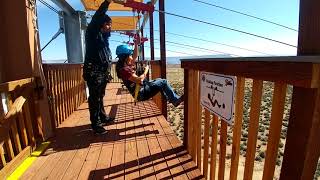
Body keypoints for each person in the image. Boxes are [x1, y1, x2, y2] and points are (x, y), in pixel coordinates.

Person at [83, 0, 116, 134]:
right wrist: (107, 2)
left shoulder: (103, 39)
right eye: (108, 24)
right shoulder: (92, 34)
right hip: (94, 73)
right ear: (101, 24)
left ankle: (102, 117)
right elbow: (97, 17)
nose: (110, 27)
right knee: (95, 98)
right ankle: (96, 124)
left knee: (100, 96)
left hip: (101, 73)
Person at [115, 43, 184, 107]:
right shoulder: (125, 70)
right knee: (163, 82)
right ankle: (175, 100)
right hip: (141, 93)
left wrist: (136, 43)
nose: (131, 57)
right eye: (130, 55)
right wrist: (146, 70)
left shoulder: (124, 65)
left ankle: (170, 98)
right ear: (125, 57)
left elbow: (135, 56)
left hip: (141, 89)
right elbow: (140, 80)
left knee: (159, 80)